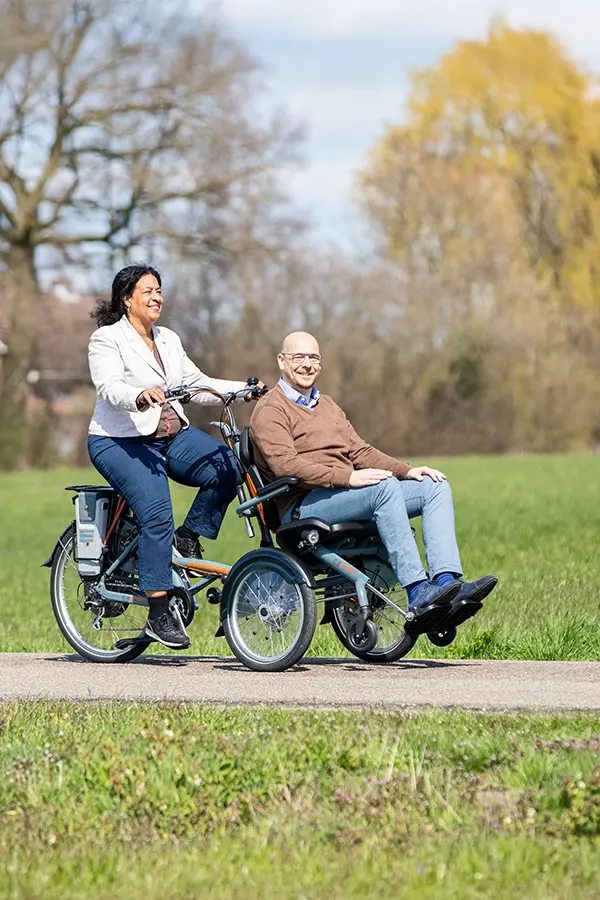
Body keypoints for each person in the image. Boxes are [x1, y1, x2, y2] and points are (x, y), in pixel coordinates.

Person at [249, 331, 498, 634]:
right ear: (282, 361)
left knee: (434, 487)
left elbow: (360, 451)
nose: (307, 364)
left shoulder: (327, 405)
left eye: (313, 357)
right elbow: (285, 465)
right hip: (303, 504)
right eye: (298, 357)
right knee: (382, 488)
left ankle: (447, 584)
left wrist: (407, 471)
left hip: (344, 495)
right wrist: (349, 477)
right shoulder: (270, 410)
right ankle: (417, 591)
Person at [87, 263, 257, 650]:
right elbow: (109, 386)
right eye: (147, 291)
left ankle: (189, 535)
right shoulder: (107, 340)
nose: (156, 296)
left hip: (170, 436)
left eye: (159, 290)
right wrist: (139, 395)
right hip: (121, 441)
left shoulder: (168, 339)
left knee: (229, 466)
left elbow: (196, 384)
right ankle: (158, 613)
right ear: (127, 300)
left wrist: (243, 389)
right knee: (156, 513)